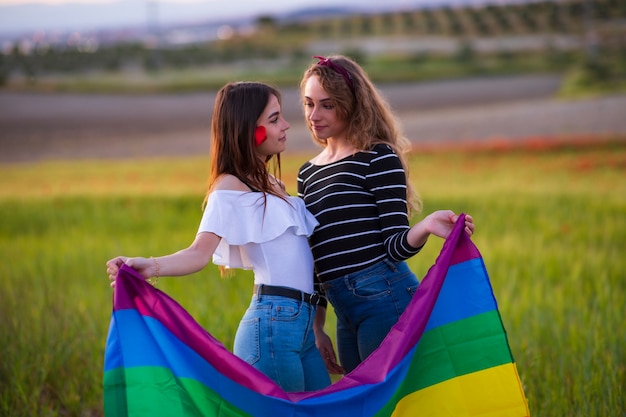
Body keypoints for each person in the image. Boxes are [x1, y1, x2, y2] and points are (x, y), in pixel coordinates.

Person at [105, 81, 331, 393]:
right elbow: (198, 253)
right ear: (248, 129)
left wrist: (317, 327)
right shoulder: (229, 187)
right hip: (272, 328)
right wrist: (147, 265)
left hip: (301, 326)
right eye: (275, 118)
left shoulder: (273, 183)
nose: (287, 125)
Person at [297, 55, 476, 374]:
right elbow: (311, 260)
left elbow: (394, 247)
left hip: (385, 300)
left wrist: (426, 225)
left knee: (387, 405)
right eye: (309, 104)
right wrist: (316, 326)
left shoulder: (378, 158)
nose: (314, 115)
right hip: (343, 310)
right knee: (362, 406)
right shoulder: (307, 173)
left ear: (350, 105)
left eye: (327, 105)